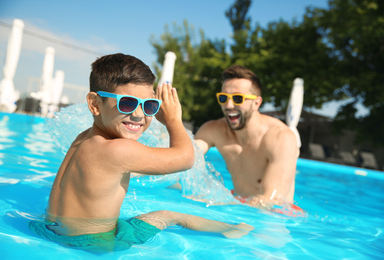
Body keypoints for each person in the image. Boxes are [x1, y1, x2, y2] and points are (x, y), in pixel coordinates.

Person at [29, 54, 253, 253]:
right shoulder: (118, 150)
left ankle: (233, 229)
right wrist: (173, 120)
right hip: (95, 245)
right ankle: (238, 230)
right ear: (95, 104)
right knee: (172, 215)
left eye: (149, 106)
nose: (138, 115)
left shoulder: (84, 138)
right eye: (127, 103)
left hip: (50, 230)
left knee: (162, 214)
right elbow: (186, 159)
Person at [194, 65, 301, 212]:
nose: (229, 105)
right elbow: (185, 157)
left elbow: (272, 199)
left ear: (256, 103)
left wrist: (222, 207)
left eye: (238, 98)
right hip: (238, 201)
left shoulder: (280, 138)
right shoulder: (215, 130)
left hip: (276, 215)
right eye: (224, 98)